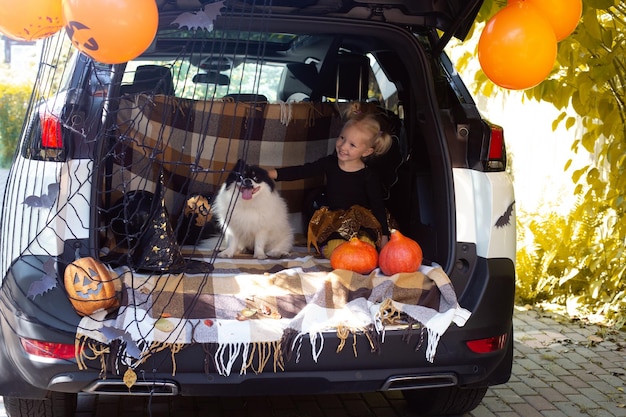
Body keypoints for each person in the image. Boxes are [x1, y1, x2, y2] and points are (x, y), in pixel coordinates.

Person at [268, 105, 394, 258]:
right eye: (342, 138)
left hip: (362, 224)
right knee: (336, 249)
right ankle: (336, 251)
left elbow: (378, 206)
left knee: (365, 245)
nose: (343, 146)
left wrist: (385, 236)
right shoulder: (329, 163)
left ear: (367, 151)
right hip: (335, 222)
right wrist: (274, 173)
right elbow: (303, 170)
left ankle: (361, 256)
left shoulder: (369, 176)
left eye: (352, 145)